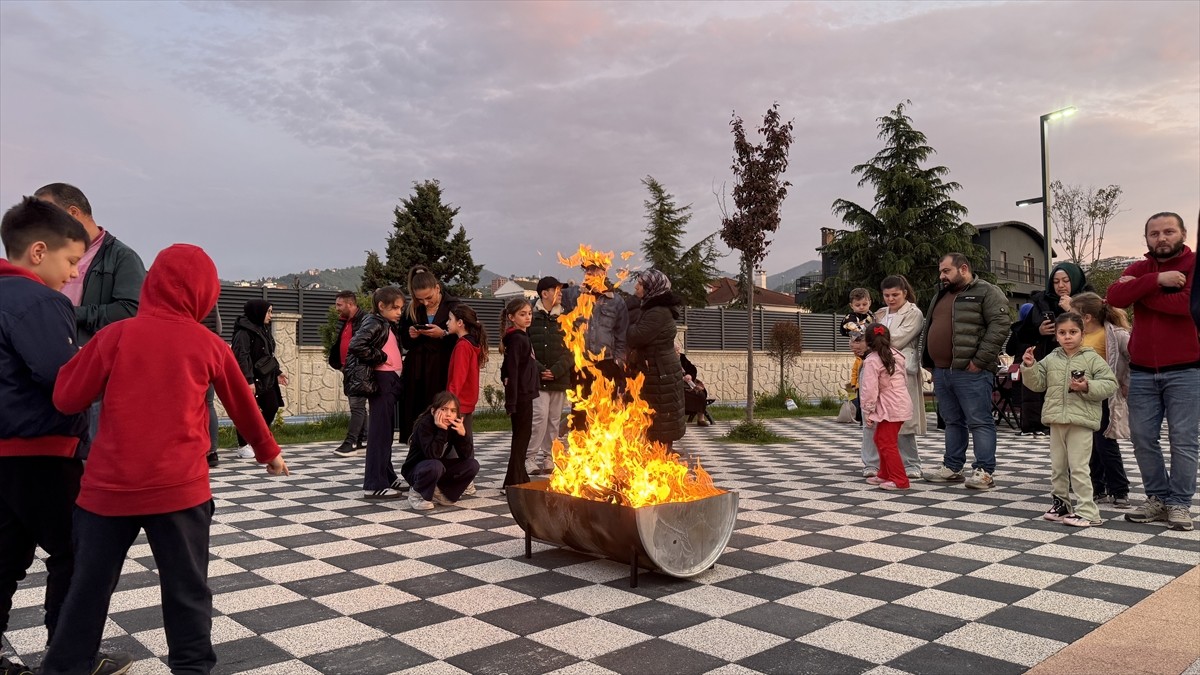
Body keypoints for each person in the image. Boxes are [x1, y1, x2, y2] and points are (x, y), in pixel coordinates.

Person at [41, 244, 288, 675]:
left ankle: (63, 669)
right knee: (187, 593)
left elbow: (66, 397)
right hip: (181, 493)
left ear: (151, 285)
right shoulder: (209, 344)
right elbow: (243, 406)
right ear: (205, 295)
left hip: (106, 495)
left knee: (87, 593)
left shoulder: (114, 336)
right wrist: (269, 453)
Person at [0, 198, 126, 675]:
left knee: (5, 559)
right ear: (37, 252)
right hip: (43, 453)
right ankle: (71, 657)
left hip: (3, 455)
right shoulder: (40, 301)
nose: (74, 274)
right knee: (80, 553)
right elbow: (63, 380)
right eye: (71, 261)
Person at [35, 183, 146, 462]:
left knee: (93, 458)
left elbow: (130, 311)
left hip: (97, 374)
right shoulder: (48, 255)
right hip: (52, 366)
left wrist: (70, 312)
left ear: (73, 213)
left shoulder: (122, 257)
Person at [1107, 212, 1198, 531]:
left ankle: (1179, 504)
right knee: (1143, 437)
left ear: (1183, 233)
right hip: (1142, 369)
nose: (1161, 238)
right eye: (1154, 233)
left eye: (1169, 231)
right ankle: (1157, 498)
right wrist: (1157, 281)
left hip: (1187, 369)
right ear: (1146, 238)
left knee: (1183, 439)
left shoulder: (1195, 264)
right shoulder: (1139, 268)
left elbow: (1186, 306)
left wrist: (1141, 292)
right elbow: (1115, 297)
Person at [921, 253, 1012, 490]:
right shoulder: (941, 295)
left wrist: (980, 360)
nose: (941, 276)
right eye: (941, 271)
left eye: (946, 271)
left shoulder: (987, 291)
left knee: (979, 421)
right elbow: (930, 326)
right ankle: (952, 468)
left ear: (963, 269)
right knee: (952, 421)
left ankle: (984, 472)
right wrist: (930, 361)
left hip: (972, 371)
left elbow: (1001, 325)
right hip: (942, 372)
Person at [1020, 312, 1118, 527]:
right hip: (1056, 420)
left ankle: (1088, 511)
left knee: (1079, 467)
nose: (1068, 337)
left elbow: (1110, 384)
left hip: (1081, 421)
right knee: (1058, 466)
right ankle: (1062, 503)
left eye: (1073, 332)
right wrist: (1029, 366)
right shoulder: (1052, 358)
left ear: (1082, 334)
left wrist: (1087, 386)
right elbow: (1037, 384)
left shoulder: (1092, 358)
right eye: (1062, 333)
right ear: (1056, 335)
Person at [1010, 262, 1090, 436]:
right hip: (1047, 361)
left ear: (1074, 280)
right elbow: (1022, 334)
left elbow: (1096, 330)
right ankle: (1037, 425)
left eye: (1065, 281)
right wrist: (1039, 331)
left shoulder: (1089, 301)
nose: (1060, 286)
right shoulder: (1041, 302)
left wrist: (1072, 309)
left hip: (1078, 363)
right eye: (1056, 281)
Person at [1071, 292, 1132, 508]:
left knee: (1105, 443)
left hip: (1104, 395)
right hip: (1084, 396)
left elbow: (1130, 358)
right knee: (1089, 445)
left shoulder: (1115, 334)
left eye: (1074, 314)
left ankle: (1120, 488)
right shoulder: (1079, 336)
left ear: (1086, 317)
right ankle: (1097, 487)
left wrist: (1125, 383)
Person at [346, 286, 408, 500]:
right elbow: (356, 345)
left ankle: (387, 476)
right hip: (382, 380)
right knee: (379, 434)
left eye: (401, 307)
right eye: (395, 308)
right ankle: (374, 484)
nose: (399, 311)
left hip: (390, 381)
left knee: (386, 432)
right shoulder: (374, 322)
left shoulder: (385, 323)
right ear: (381, 306)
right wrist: (380, 357)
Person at [562, 261, 628, 432]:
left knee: (605, 410)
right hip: (581, 363)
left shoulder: (617, 302)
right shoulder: (572, 296)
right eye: (588, 269)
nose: (590, 273)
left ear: (604, 272)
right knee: (579, 410)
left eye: (595, 269)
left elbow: (621, 334)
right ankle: (580, 449)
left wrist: (619, 361)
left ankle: (603, 450)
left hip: (606, 363)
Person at [398, 265, 460, 441]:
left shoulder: (454, 306)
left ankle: (441, 447)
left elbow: (466, 335)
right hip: (416, 369)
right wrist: (411, 334)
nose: (425, 302)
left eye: (429, 297)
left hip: (441, 367)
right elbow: (405, 342)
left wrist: (444, 334)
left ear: (437, 288)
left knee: (440, 408)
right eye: (420, 299)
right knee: (415, 412)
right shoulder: (412, 308)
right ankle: (416, 447)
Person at [626, 269, 686, 448]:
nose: (636, 286)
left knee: (661, 422)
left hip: (660, 374)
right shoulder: (653, 308)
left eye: (641, 284)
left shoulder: (657, 312)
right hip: (658, 371)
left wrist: (622, 324)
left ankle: (662, 463)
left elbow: (635, 337)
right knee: (656, 422)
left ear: (651, 288)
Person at [874, 275, 925, 478]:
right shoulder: (881, 313)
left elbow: (897, 339)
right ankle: (883, 464)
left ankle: (912, 464)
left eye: (895, 294)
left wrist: (874, 339)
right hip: (881, 370)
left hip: (903, 370)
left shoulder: (914, 313)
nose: (890, 299)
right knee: (882, 418)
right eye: (886, 295)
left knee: (904, 419)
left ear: (904, 292)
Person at [400, 392, 479, 510]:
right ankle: (416, 494)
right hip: (416, 470)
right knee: (435, 465)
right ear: (433, 411)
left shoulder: (454, 426)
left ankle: (441, 492)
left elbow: (467, 456)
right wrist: (442, 431)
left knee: (472, 465)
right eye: (444, 409)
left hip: (437, 469)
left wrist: (463, 435)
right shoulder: (425, 424)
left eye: (453, 411)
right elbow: (432, 455)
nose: (448, 414)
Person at [231, 299, 288, 459]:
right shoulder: (243, 332)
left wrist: (277, 372)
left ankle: (258, 441)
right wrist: (248, 380)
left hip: (266, 377)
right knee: (248, 411)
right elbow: (241, 357)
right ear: (258, 312)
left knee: (272, 406)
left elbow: (268, 354)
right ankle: (243, 445)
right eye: (268, 311)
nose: (271, 315)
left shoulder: (263, 329)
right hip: (252, 379)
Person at [526, 276, 572, 475]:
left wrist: (556, 371)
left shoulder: (566, 318)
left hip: (559, 378)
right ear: (545, 294)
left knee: (554, 419)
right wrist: (539, 369)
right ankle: (529, 457)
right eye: (556, 290)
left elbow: (572, 349)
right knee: (539, 417)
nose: (560, 293)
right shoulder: (530, 316)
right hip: (537, 379)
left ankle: (549, 457)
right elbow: (524, 347)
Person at [860, 324, 912, 491]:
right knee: (880, 439)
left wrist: (868, 410)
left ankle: (899, 479)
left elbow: (869, 389)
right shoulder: (898, 355)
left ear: (867, 342)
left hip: (889, 406)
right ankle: (884, 474)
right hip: (900, 403)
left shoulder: (871, 361)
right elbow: (904, 379)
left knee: (887, 442)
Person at [500, 297, 538, 490]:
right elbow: (511, 370)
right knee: (521, 438)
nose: (527, 317)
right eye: (522, 314)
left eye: (529, 313)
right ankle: (514, 481)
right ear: (512, 317)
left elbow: (506, 368)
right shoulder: (516, 339)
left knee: (523, 437)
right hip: (521, 396)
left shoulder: (522, 337)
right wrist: (511, 402)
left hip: (526, 393)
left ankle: (518, 476)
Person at [327, 291, 368, 457]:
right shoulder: (344, 321)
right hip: (348, 369)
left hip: (360, 369)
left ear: (350, 304)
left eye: (339, 305)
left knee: (356, 405)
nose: (336, 308)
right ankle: (364, 440)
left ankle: (350, 442)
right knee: (359, 406)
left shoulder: (365, 320)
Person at [446, 304, 489, 436]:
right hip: (467, 401)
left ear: (460, 323)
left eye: (450, 319)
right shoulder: (473, 344)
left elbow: (458, 377)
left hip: (458, 403)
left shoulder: (463, 346)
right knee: (465, 441)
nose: (447, 323)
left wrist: (448, 401)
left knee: (454, 446)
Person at [841, 288, 874, 424]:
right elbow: (851, 328)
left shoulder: (872, 315)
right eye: (857, 305)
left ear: (869, 303)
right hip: (857, 343)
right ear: (851, 306)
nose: (861, 308)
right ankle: (861, 417)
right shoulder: (850, 318)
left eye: (864, 304)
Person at [201, 304, 222, 468]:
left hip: (186, 350)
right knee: (208, 404)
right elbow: (219, 327)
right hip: (208, 351)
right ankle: (212, 451)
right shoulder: (210, 299)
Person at [679, 349, 711, 427]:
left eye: (678, 351)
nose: (678, 353)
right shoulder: (665, 359)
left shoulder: (682, 357)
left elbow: (692, 369)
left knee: (700, 393)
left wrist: (690, 375)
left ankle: (701, 419)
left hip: (688, 383)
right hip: (677, 386)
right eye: (676, 351)